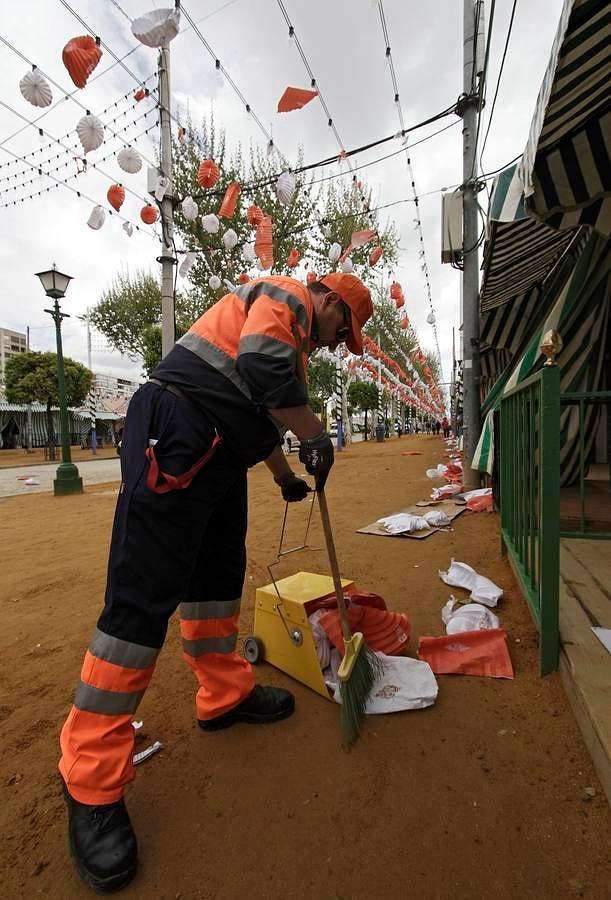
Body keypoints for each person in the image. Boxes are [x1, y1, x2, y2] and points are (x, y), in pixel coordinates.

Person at [58, 272, 373, 893]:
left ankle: (224, 695)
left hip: (220, 453)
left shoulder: (296, 355)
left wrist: (284, 472)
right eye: (345, 330)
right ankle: (90, 777)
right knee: (140, 605)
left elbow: (259, 413)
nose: (341, 343)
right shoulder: (285, 296)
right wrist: (314, 435)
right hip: (176, 430)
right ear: (330, 300)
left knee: (216, 585)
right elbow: (261, 368)